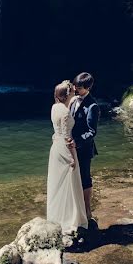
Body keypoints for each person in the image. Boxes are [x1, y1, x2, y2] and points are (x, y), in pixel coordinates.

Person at [46, 81, 88, 233]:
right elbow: (66, 137)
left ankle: (56, 216)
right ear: (67, 94)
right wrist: (72, 158)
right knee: (70, 182)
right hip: (65, 149)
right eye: (71, 91)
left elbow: (57, 131)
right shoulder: (64, 112)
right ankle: (70, 218)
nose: (74, 92)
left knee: (57, 183)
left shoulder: (55, 107)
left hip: (55, 147)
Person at [70, 72, 99, 227]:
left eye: (79, 87)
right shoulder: (74, 100)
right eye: (75, 85)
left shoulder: (93, 106)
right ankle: (76, 210)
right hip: (71, 147)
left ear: (88, 87)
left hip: (84, 149)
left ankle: (88, 211)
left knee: (85, 178)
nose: (75, 89)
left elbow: (92, 131)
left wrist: (77, 141)